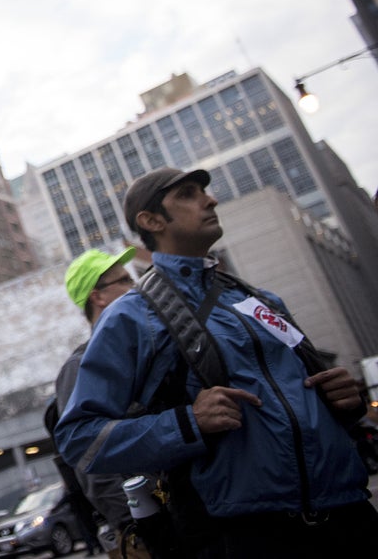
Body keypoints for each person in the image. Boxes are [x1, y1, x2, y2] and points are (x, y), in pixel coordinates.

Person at [54, 167, 378, 557]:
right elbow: (79, 439)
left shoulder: (261, 300)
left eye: (204, 192)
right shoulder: (131, 318)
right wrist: (186, 424)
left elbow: (298, 405)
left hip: (350, 515)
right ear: (152, 221)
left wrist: (342, 404)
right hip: (247, 537)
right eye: (188, 194)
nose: (210, 200)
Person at [53, 248, 149, 559]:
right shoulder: (80, 368)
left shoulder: (144, 347)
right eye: (124, 281)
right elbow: (89, 460)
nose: (135, 287)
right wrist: (136, 526)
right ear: (99, 297)